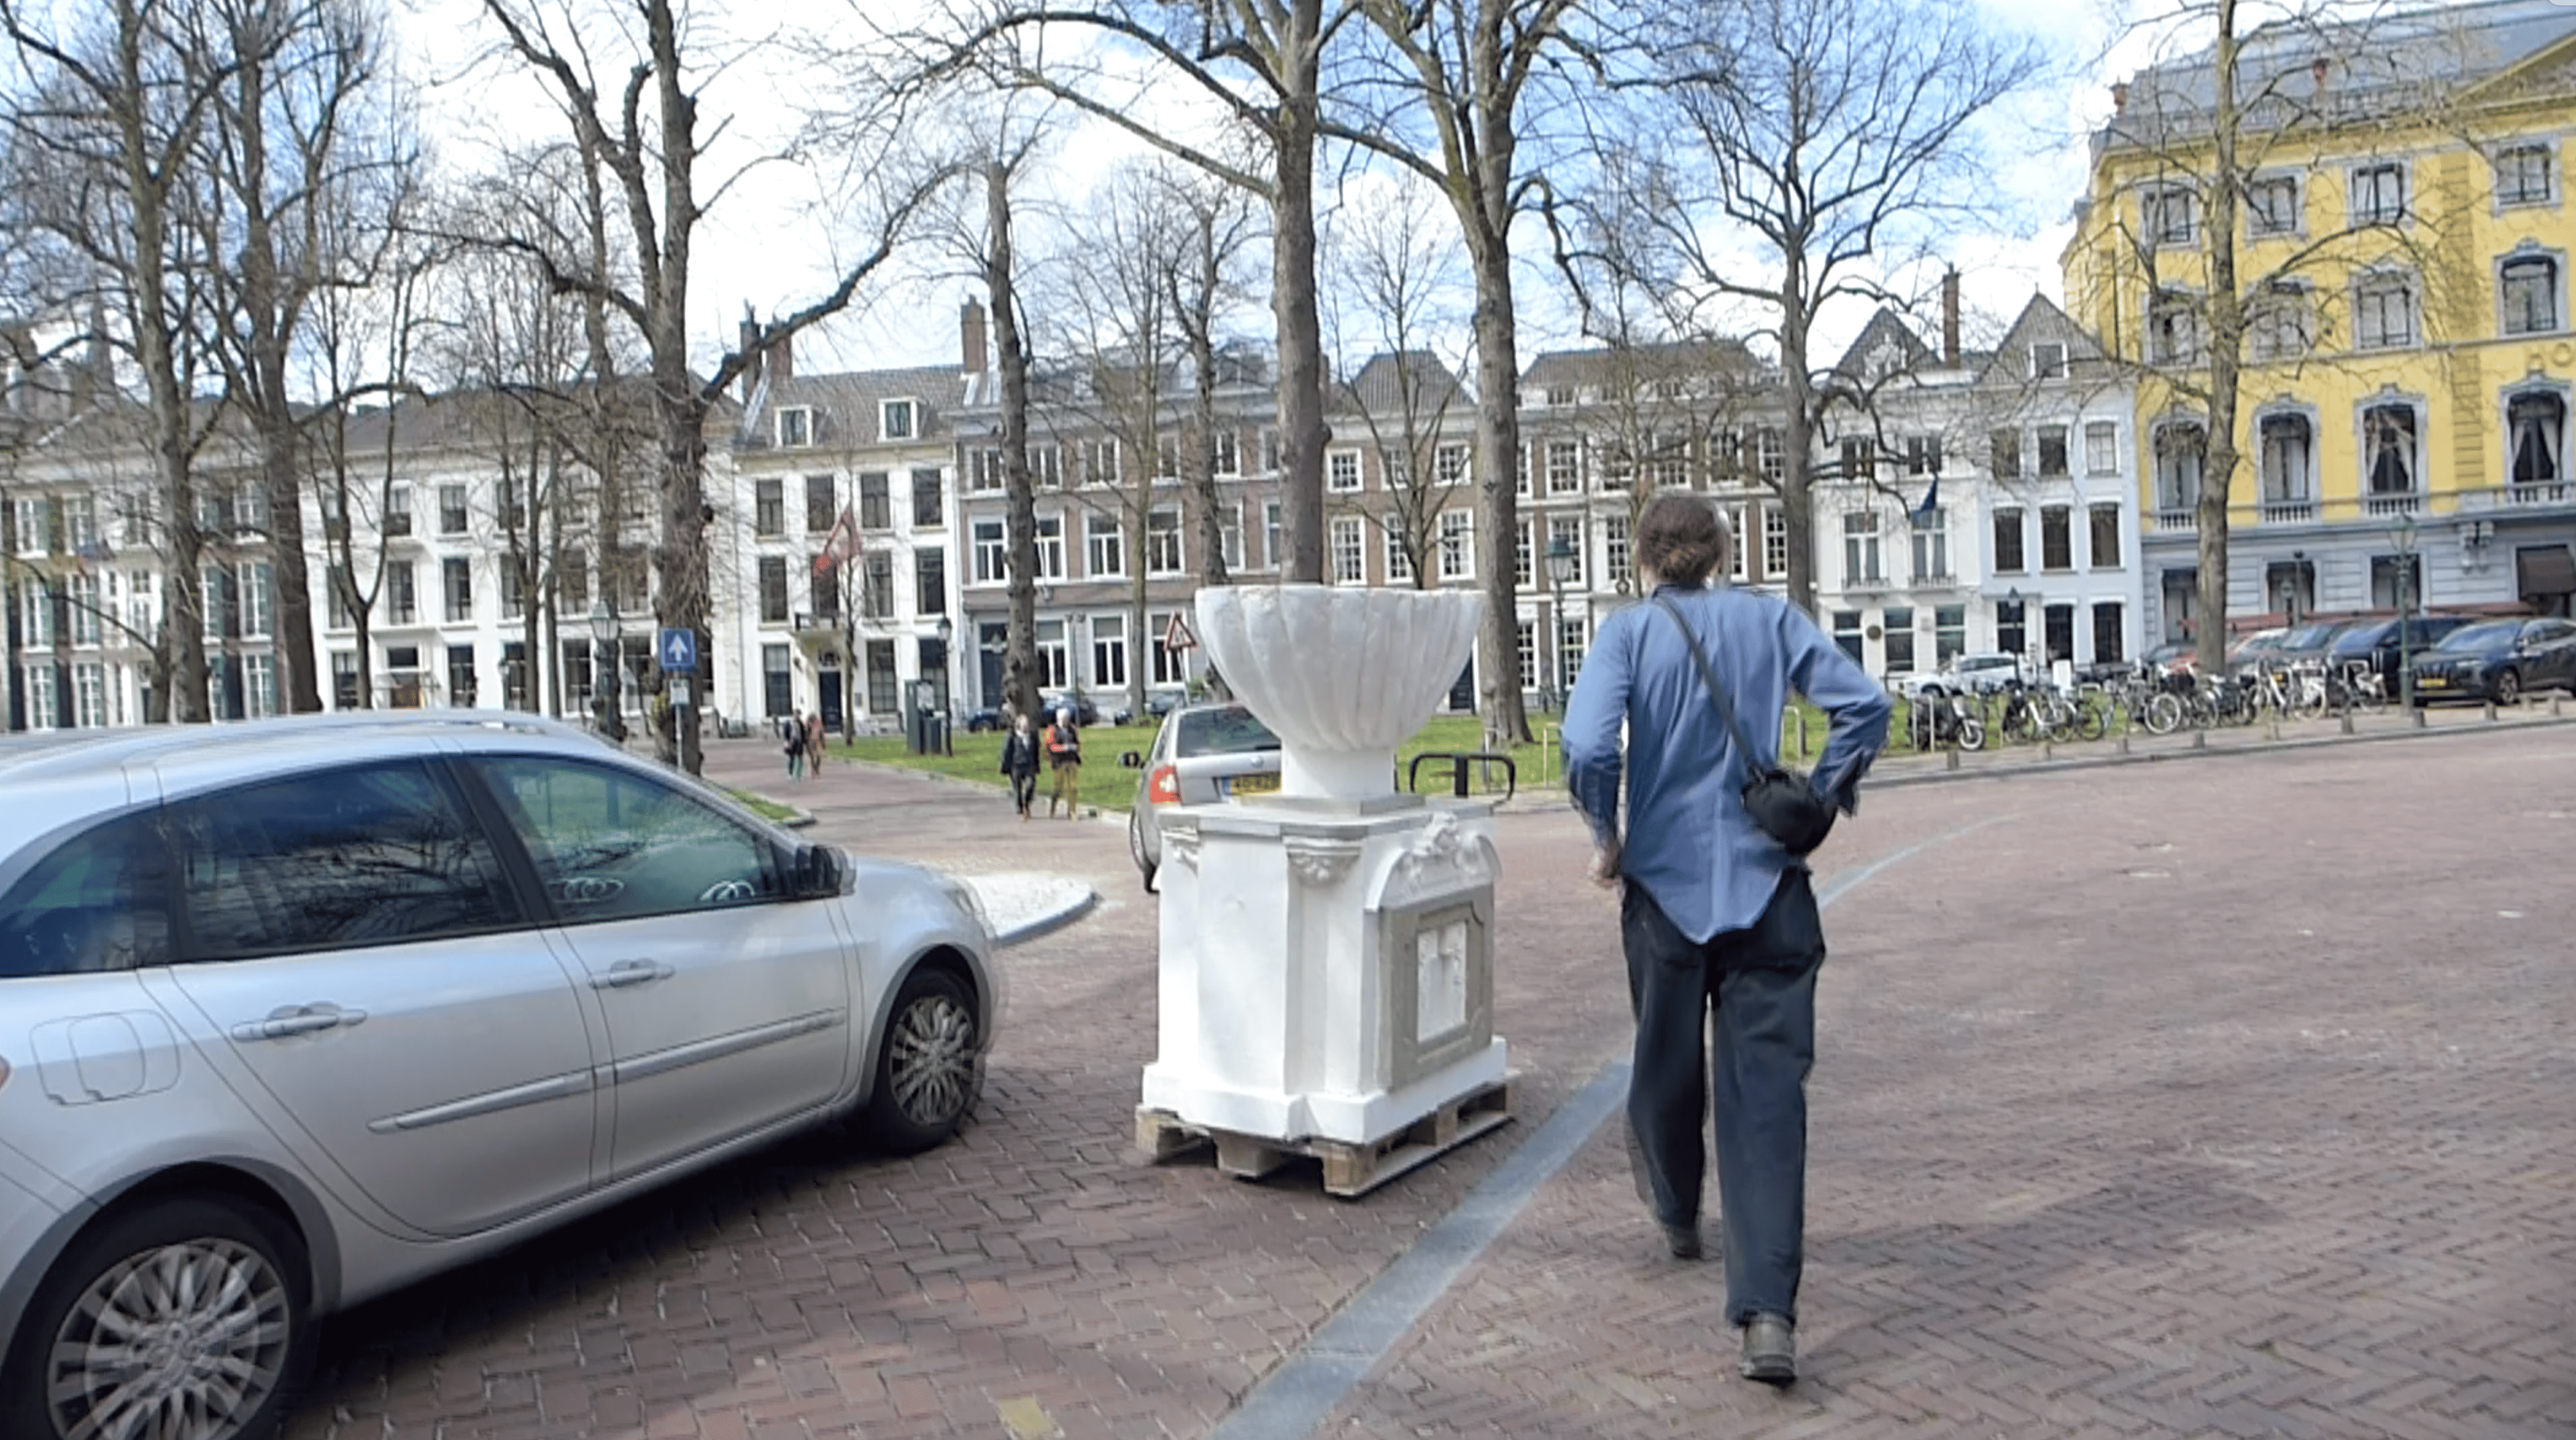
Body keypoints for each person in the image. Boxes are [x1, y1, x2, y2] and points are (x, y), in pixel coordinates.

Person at [1561, 495, 1890, 1387]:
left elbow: (1588, 742)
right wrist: (1819, 797)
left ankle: (1676, 1206)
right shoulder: (1770, 618)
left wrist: (1605, 830)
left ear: (1644, 563)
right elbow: (1863, 705)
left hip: (1664, 893)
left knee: (1664, 1074)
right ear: (1722, 553)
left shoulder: (1627, 635)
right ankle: (1767, 1316)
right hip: (1771, 893)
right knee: (1767, 1106)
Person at [1000, 711, 1041, 821]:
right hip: (1016, 765)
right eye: (1023, 725)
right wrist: (1005, 767)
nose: (1025, 727)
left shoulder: (1033, 736)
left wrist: (1037, 766)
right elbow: (1007, 752)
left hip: (1029, 765)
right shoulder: (1013, 736)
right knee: (1017, 789)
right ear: (1019, 725)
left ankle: (1027, 804)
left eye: (1027, 725)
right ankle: (1019, 806)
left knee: (1030, 785)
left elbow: (1036, 752)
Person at [1043, 707, 1082, 818]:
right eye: (1064, 719)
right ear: (1059, 719)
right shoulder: (1051, 730)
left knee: (1073, 787)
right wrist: (1064, 748)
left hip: (1071, 761)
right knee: (1059, 789)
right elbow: (1050, 747)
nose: (1066, 721)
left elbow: (1078, 743)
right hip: (1059, 762)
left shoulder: (1072, 729)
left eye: (1067, 719)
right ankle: (1053, 806)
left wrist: (1076, 747)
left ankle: (1072, 811)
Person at [781, 713, 805, 779]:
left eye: (799, 716)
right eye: (797, 715)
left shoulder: (801, 723)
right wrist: (788, 741)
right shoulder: (789, 723)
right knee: (792, 759)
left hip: (799, 743)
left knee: (800, 759)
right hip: (792, 743)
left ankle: (799, 774)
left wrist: (804, 743)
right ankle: (790, 773)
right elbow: (786, 733)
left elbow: (803, 733)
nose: (798, 717)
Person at [804, 712, 827, 777]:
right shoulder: (808, 724)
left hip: (818, 742)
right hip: (811, 742)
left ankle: (816, 769)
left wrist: (823, 743)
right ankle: (814, 770)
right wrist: (805, 743)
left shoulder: (819, 724)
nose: (814, 719)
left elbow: (822, 734)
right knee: (812, 757)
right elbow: (806, 733)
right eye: (812, 718)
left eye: (814, 718)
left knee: (819, 756)